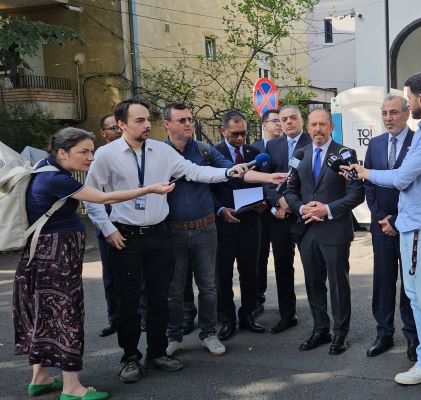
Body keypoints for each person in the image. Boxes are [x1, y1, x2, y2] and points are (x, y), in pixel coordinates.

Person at [83, 99, 276, 384]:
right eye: (139, 120)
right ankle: (130, 358)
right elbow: (91, 195)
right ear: (121, 124)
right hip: (126, 236)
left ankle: (157, 352)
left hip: (159, 234)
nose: (147, 125)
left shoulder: (160, 151)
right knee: (130, 301)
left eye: (148, 119)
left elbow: (194, 171)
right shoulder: (106, 155)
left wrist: (227, 172)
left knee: (161, 298)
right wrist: (108, 228)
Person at [15, 127, 175, 400]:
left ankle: (40, 377)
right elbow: (103, 197)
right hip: (57, 259)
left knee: (45, 314)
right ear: (62, 152)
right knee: (65, 315)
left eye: (92, 151)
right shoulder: (56, 179)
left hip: (44, 255)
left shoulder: (44, 168)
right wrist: (149, 188)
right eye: (85, 152)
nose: (91, 157)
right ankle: (72, 388)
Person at [347, 71, 421, 400]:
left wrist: (364, 172)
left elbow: (401, 178)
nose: (408, 102)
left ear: (419, 98)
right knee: (417, 298)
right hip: (413, 227)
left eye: (408, 97)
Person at [284, 108, 364, 355]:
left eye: (322, 124)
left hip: (334, 230)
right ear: (308, 127)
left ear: (331, 127)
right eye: (313, 125)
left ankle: (340, 333)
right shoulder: (299, 154)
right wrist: (302, 208)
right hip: (308, 230)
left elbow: (356, 194)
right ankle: (320, 330)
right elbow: (290, 191)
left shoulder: (345, 154)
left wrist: (327, 209)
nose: (317, 129)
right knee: (313, 282)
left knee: (338, 284)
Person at [162, 103, 232, 356]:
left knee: (208, 286)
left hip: (205, 229)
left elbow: (228, 170)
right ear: (167, 124)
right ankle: (174, 336)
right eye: (181, 120)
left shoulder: (203, 150)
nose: (188, 124)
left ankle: (209, 334)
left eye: (190, 119)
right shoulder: (158, 154)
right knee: (174, 290)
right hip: (173, 232)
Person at [363, 95, 418, 360]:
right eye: (384, 113)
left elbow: (418, 186)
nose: (388, 118)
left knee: (410, 284)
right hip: (381, 226)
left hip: (409, 225)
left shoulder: (418, 142)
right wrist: (381, 218)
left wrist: (397, 220)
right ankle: (383, 333)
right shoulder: (375, 145)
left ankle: (413, 337)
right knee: (383, 281)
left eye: (394, 112)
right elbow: (368, 184)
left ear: (407, 113)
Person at [213, 110, 268, 340]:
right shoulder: (214, 154)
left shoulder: (254, 153)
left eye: (243, 133)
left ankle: (248, 315)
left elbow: (265, 184)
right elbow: (207, 190)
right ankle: (227, 319)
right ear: (222, 131)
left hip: (250, 223)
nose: (240, 138)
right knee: (223, 274)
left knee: (250, 272)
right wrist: (220, 209)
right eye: (235, 134)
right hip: (224, 224)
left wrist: (264, 202)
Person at [262, 104, 312, 333]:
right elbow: (265, 180)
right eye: (284, 119)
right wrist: (278, 201)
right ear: (279, 123)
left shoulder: (312, 143)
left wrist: (293, 204)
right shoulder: (272, 146)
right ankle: (287, 315)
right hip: (280, 217)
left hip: (304, 214)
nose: (289, 122)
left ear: (301, 120)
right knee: (282, 266)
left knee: (312, 266)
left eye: (293, 118)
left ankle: (320, 320)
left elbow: (315, 180)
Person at [252, 108, 284, 317]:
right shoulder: (253, 149)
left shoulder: (288, 147)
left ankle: (287, 307)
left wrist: (282, 203)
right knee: (259, 257)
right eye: (275, 121)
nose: (280, 124)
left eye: (281, 120)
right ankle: (257, 298)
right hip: (259, 212)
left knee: (283, 259)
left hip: (282, 210)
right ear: (264, 125)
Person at [97, 114, 121, 338]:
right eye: (113, 128)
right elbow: (92, 194)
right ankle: (114, 319)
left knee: (140, 274)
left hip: (131, 221)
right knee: (111, 275)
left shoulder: (135, 154)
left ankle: (142, 315)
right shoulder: (99, 156)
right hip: (107, 221)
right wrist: (105, 226)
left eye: (119, 126)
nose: (118, 130)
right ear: (103, 133)